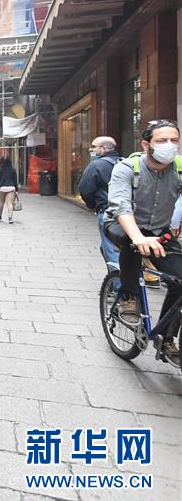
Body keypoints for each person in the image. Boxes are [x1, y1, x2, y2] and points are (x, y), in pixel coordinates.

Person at [105, 119, 181, 362]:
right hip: (121, 224)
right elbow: (121, 206)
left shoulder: (179, 168)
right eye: (162, 140)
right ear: (146, 145)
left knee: (180, 281)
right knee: (132, 244)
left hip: (159, 230)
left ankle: (165, 338)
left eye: (174, 140)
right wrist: (138, 237)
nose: (169, 145)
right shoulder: (127, 168)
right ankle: (127, 297)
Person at [78, 136, 122, 270]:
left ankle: (117, 281)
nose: (90, 149)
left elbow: (85, 189)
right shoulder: (124, 162)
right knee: (110, 247)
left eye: (93, 147)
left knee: (111, 250)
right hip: (127, 213)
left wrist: (92, 205)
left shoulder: (96, 165)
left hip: (107, 211)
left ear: (104, 148)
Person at [0, 156, 19, 223]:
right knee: (10, 203)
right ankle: (10, 218)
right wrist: (16, 190)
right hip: (11, 188)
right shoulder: (13, 170)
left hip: (1, 188)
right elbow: (15, 181)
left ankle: (0, 217)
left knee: (1, 202)